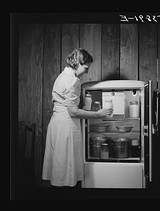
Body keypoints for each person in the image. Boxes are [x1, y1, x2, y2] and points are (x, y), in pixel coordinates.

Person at [42, 48, 112, 187]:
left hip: (57, 123)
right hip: (66, 126)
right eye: (86, 67)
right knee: (65, 167)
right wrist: (98, 114)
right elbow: (73, 112)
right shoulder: (72, 80)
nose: (87, 71)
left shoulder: (62, 76)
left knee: (59, 165)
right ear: (78, 63)